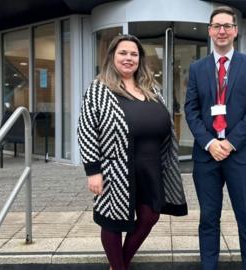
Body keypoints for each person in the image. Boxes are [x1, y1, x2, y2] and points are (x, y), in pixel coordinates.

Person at [78, 34, 188, 270]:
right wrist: (93, 170)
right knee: (113, 222)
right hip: (115, 167)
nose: (128, 58)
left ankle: (120, 263)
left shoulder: (151, 89)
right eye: (123, 53)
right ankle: (118, 267)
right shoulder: (99, 89)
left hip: (151, 167)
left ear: (140, 59)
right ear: (112, 57)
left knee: (150, 216)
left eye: (134, 54)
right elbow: (86, 129)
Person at [184, 6, 246, 270]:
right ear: (209, 31)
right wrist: (210, 143)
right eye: (217, 26)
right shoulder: (197, 68)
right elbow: (191, 110)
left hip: (240, 155)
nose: (222, 31)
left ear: (235, 31)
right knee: (208, 218)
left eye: (227, 26)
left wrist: (229, 143)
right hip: (206, 156)